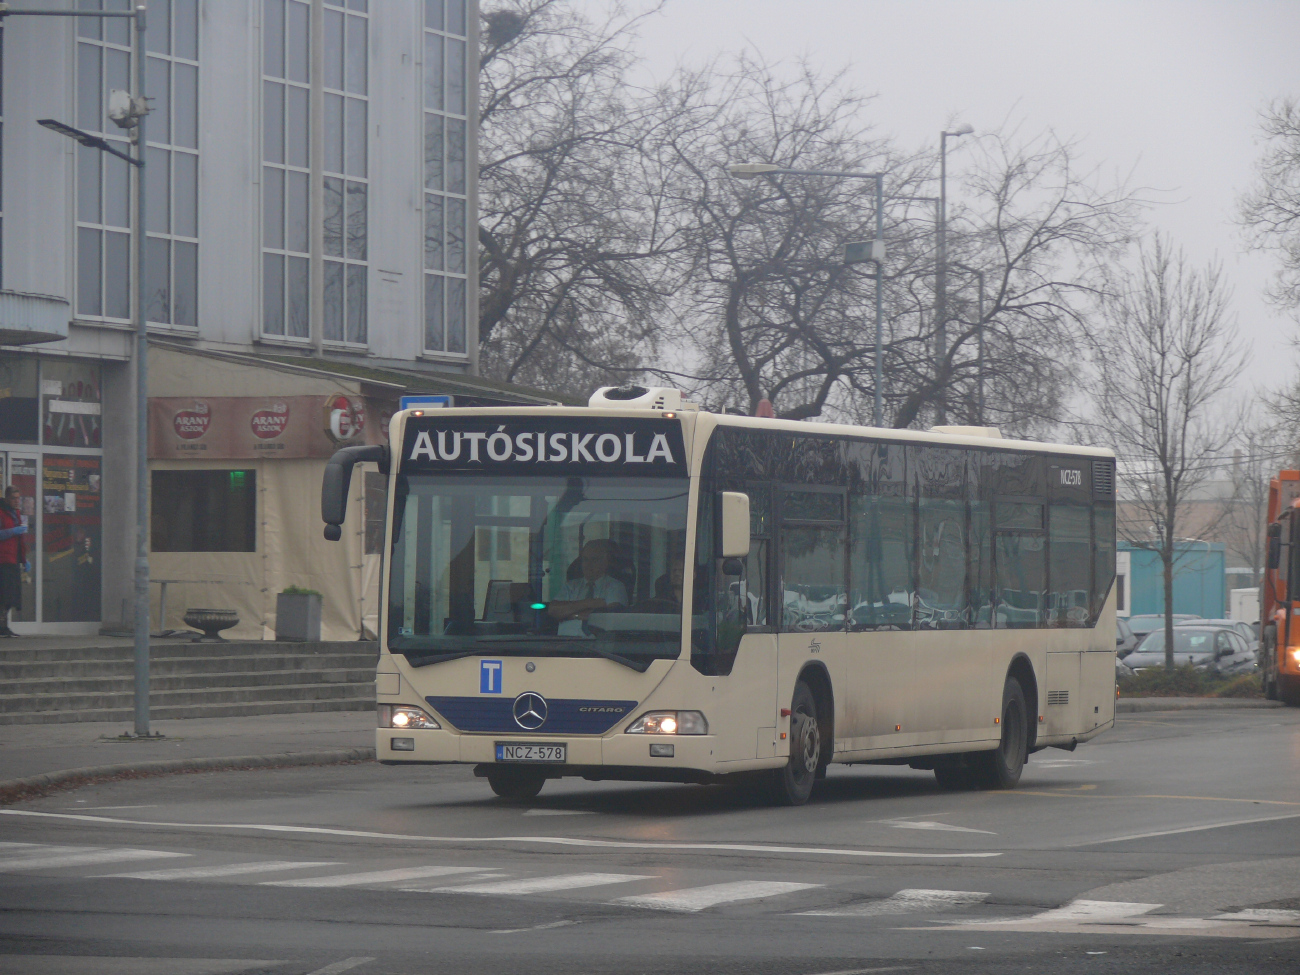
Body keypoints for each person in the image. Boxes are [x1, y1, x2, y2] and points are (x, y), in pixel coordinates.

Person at [547, 539, 628, 622]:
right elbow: (553, 610)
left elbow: (608, 617)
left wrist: (568, 613)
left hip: (597, 635)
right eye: (585, 559)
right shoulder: (570, 586)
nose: (588, 564)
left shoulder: (615, 586)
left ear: (605, 562)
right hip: (565, 635)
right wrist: (589, 603)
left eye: (594, 559)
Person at [0, 485, 29, 637]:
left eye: (18, 498)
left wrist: (24, 560)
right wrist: (12, 531)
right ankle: (2, 627)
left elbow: (20, 540)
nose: (17, 501)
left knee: (11, 596)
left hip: (13, 560)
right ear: (6, 499)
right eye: (14, 498)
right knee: (4, 595)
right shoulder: (2, 512)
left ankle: (4, 626)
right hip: (3, 559)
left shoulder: (16, 514)